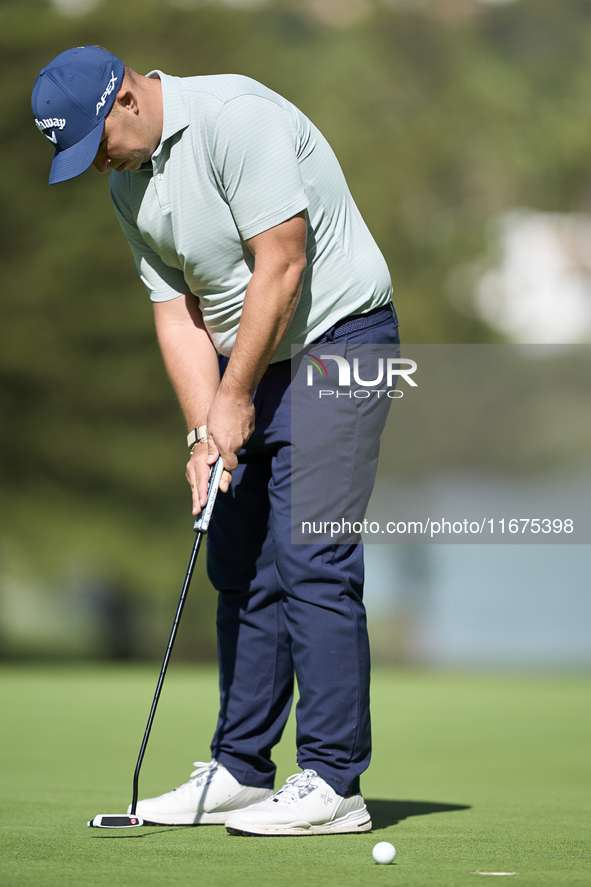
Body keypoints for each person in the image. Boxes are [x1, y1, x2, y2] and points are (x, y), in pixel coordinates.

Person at [32, 45, 399, 837]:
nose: (95, 165)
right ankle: (239, 768)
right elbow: (178, 313)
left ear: (125, 97)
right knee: (239, 562)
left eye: (94, 143)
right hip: (254, 359)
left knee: (312, 559)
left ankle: (335, 782)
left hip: (342, 340)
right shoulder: (130, 182)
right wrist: (205, 431)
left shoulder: (237, 119)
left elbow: (282, 264)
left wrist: (234, 397)